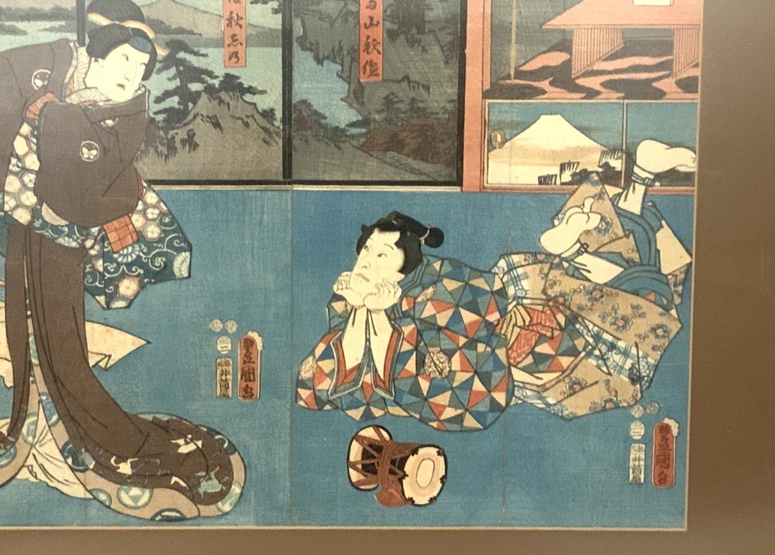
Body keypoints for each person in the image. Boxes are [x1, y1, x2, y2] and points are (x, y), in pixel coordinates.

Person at [0, 0, 242, 520]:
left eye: (141, 66)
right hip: (25, 224)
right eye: (122, 58)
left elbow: (87, 174)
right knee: (21, 325)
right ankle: (28, 424)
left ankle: (86, 433)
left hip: (63, 236)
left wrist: (53, 120)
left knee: (60, 336)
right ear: (95, 51)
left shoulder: (125, 113)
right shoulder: (57, 64)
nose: (131, 74)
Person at [296, 141, 694, 430]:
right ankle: (633, 186)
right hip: (519, 364)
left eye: (381, 254)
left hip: (528, 328)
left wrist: (387, 312)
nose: (367, 261)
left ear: (408, 260)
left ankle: (628, 191)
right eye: (367, 251)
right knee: (639, 284)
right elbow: (318, 385)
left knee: (636, 290)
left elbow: (483, 302)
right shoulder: (348, 300)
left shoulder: (436, 280)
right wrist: (370, 311)